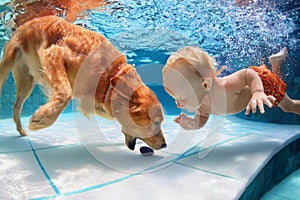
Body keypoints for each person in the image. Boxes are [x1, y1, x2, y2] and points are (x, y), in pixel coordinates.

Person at [162, 46, 300, 130]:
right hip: (256, 88)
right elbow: (202, 119)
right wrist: (192, 124)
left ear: (206, 84)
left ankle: (276, 65)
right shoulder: (200, 102)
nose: (178, 104)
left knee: (287, 105)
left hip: (261, 81)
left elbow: (248, 74)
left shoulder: (224, 86)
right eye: (175, 98)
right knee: (277, 98)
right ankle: (276, 64)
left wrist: (257, 92)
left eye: (183, 98)